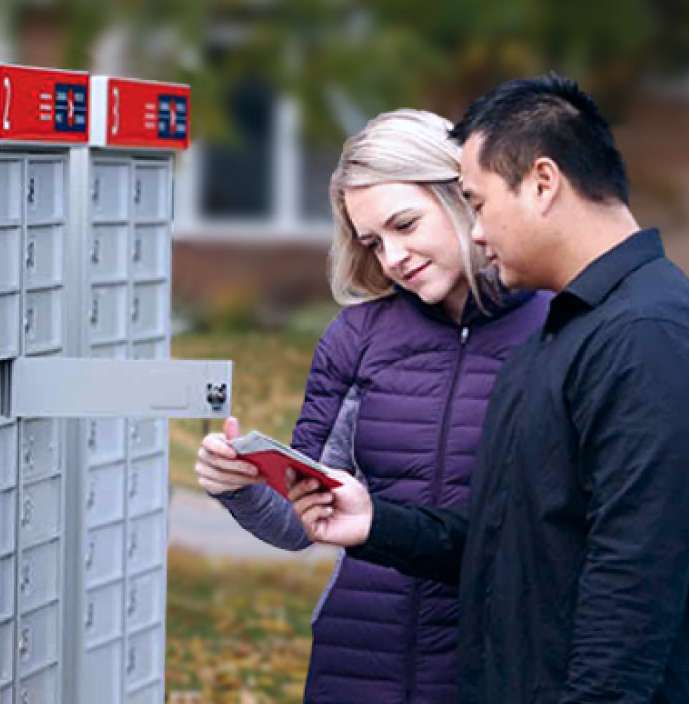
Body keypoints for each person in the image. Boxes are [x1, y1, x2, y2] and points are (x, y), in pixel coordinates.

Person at [290, 75, 689, 703]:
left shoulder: (650, 335)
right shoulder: (565, 334)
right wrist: (378, 524)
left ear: (542, 184)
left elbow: (632, 582)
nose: (475, 231)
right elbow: (506, 547)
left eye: (477, 204)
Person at [192, 109, 550, 702]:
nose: (393, 258)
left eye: (405, 224)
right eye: (373, 242)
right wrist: (238, 484)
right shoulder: (356, 339)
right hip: (358, 665)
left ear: (462, 195)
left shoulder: (559, 330)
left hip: (498, 666)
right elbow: (297, 519)